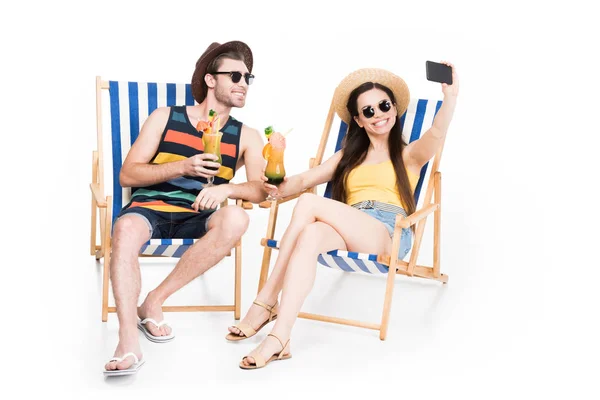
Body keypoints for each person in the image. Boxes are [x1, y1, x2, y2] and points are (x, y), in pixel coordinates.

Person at [227, 64, 459, 369]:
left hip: (389, 232)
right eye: (368, 111)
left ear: (395, 109)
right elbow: (304, 180)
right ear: (359, 121)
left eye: (384, 106)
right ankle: (280, 337)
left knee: (310, 205)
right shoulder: (347, 157)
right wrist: (274, 187)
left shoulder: (410, 155)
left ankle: (266, 299)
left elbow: (438, 131)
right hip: (350, 223)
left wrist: (451, 95)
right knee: (309, 234)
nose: (378, 114)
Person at [104, 41, 267, 375]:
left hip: (201, 214)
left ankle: (154, 300)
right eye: (234, 75)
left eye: (248, 77)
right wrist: (183, 167)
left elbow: (259, 190)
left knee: (236, 216)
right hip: (150, 208)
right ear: (210, 80)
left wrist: (227, 188)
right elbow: (128, 174)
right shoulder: (166, 117)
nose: (243, 83)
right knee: (125, 227)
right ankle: (126, 341)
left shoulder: (246, 135)